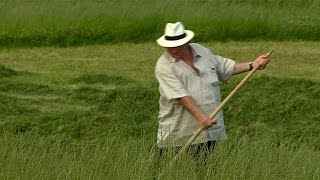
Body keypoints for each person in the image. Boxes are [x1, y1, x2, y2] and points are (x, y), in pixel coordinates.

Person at [155, 22, 271, 158]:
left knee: (207, 171)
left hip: (208, 131)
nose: (174, 51)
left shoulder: (201, 51)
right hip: (179, 131)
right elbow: (181, 96)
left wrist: (252, 64)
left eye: (178, 46)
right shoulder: (164, 66)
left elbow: (224, 67)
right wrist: (201, 117)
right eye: (170, 47)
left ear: (187, 42)